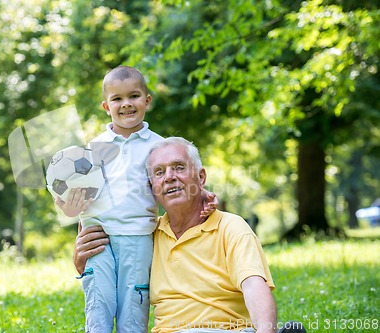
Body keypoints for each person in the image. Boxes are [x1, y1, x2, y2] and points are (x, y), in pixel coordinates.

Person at [74, 137, 307, 333]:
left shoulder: (230, 227)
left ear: (201, 178)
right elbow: (117, 284)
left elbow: (254, 286)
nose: (169, 177)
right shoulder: (146, 236)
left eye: (179, 167)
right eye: (159, 172)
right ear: (151, 188)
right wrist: (82, 262)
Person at [53, 66, 218, 333]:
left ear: (147, 101)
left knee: (133, 306)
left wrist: (204, 196)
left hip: (139, 238)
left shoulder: (159, 147)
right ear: (106, 106)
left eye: (134, 96)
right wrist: (65, 205)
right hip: (98, 238)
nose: (126, 104)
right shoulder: (92, 150)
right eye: (117, 99)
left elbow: (180, 181)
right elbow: (67, 196)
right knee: (99, 304)